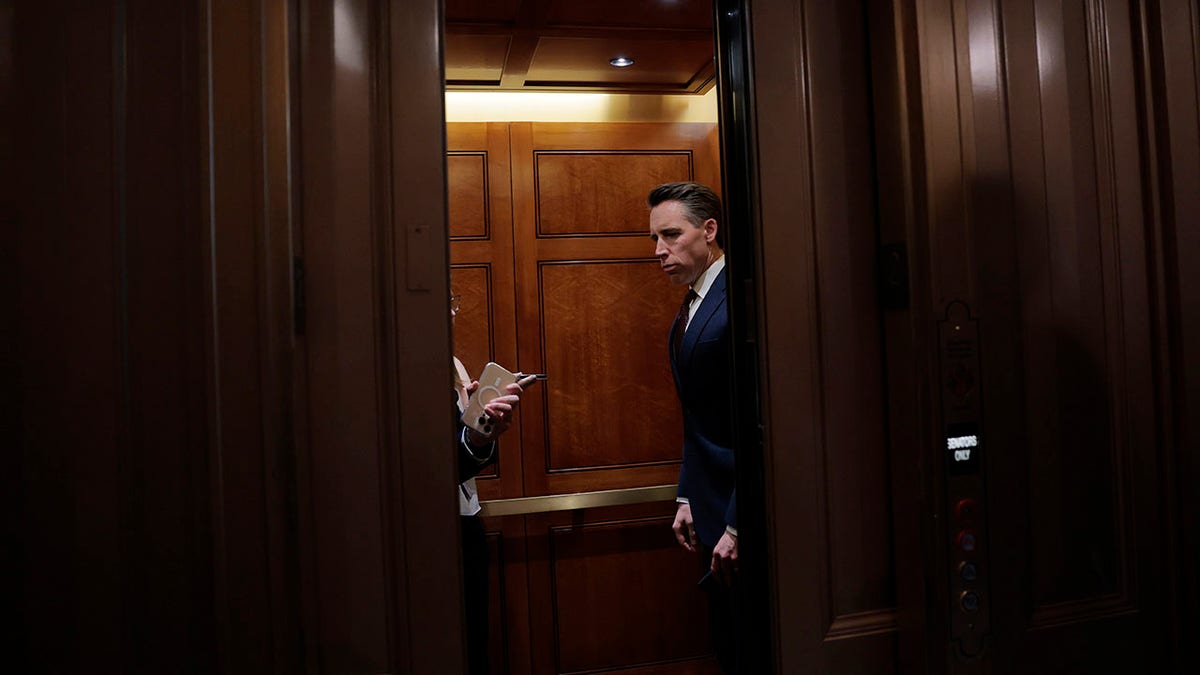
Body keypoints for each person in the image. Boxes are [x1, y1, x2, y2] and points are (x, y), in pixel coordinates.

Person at [647, 182, 738, 673]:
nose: (660, 251)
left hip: (740, 515)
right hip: (708, 506)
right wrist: (687, 494)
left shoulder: (739, 296)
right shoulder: (693, 301)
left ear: (709, 230)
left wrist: (739, 522)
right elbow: (699, 416)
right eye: (655, 239)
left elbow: (761, 423)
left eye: (671, 235)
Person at [450, 292, 532, 675]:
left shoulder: (452, 366)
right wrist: (477, 436)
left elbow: (462, 450)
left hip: (467, 524)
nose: (451, 314)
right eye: (445, 303)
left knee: (473, 647)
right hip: (421, 536)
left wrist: (481, 426)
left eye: (452, 302)